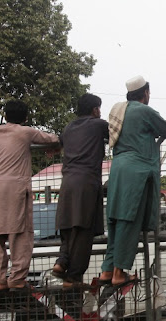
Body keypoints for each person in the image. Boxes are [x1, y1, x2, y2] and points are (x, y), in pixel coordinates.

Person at [99, 76, 166, 286]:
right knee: (130, 219)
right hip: (136, 172)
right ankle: (120, 273)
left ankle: (107, 271)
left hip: (118, 169)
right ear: (145, 93)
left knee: (116, 219)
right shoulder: (143, 111)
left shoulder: (118, 109)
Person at [0, 99, 59, 291]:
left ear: (5, 116)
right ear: (25, 118)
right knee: (21, 233)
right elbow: (52, 139)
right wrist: (54, 146)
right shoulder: (26, 132)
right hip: (15, 186)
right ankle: (17, 278)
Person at [52, 93, 109, 288]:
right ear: (95, 110)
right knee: (84, 230)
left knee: (68, 227)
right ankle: (73, 276)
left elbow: (56, 144)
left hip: (67, 182)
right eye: (99, 109)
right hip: (87, 183)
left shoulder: (68, 128)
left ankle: (61, 262)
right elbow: (118, 133)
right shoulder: (98, 124)